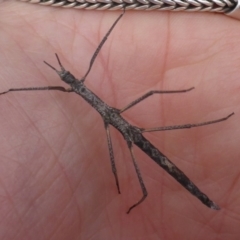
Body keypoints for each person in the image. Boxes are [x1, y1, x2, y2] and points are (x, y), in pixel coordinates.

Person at [0, 1, 239, 239]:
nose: (66, 77)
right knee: (135, 163)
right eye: (66, 78)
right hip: (122, 126)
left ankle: (199, 187)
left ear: (71, 82)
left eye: (67, 77)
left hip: (123, 126)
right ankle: (193, 198)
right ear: (69, 83)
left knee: (153, 99)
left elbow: (100, 50)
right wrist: (10, 89)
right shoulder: (71, 87)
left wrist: (119, 15)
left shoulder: (73, 87)